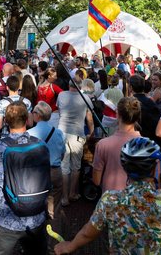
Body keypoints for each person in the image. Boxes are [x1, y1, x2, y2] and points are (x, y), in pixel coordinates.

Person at [55, 137, 161, 255]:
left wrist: (69, 247)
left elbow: (87, 234)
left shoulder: (111, 199)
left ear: (125, 168)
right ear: (153, 169)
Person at [0, 102, 48, 255]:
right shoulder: (41, 145)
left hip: (5, 218)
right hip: (35, 216)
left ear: (6, 121)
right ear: (27, 120)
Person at [57, 74, 94, 206]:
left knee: (64, 166)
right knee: (76, 166)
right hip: (77, 134)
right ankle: (72, 193)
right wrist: (91, 132)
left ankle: (64, 197)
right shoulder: (86, 98)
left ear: (69, 85)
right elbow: (89, 119)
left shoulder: (61, 95)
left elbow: (60, 112)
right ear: (80, 86)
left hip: (61, 133)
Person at [93, 97, 141, 191]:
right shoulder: (147, 145)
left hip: (111, 200)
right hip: (136, 201)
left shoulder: (103, 144)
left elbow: (96, 180)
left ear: (117, 114)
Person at [28, 101, 65, 221]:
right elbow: (62, 153)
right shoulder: (59, 133)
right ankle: (55, 233)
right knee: (55, 207)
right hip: (55, 171)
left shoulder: (29, 134)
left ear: (37, 115)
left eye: (33, 112)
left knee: (35, 204)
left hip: (37, 173)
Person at [130, 74, 161, 145]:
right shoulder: (150, 102)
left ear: (131, 87)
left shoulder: (130, 103)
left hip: (138, 141)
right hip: (151, 140)